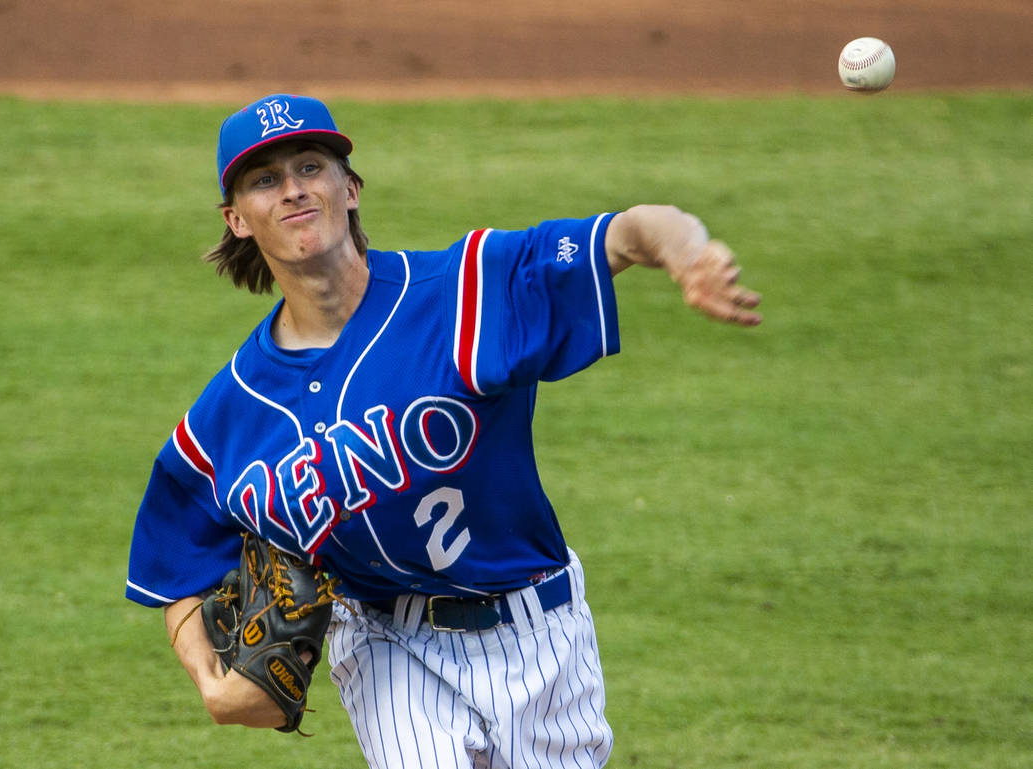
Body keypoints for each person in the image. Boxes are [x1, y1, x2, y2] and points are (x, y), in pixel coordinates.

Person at [126, 93, 761, 768]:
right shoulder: (234, 408)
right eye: (264, 180)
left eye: (311, 166)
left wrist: (689, 255)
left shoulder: (470, 291)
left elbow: (633, 229)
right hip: (384, 643)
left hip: (538, 635)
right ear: (238, 219)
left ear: (351, 188)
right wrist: (213, 683)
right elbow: (174, 559)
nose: (293, 190)